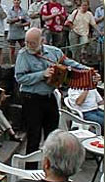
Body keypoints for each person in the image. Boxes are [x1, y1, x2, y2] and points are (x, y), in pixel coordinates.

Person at [15, 27, 95, 169]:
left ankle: (52, 170)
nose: (28, 46)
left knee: (52, 136)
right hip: (31, 99)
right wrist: (42, 74)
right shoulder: (23, 55)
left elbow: (71, 64)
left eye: (32, 43)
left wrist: (89, 71)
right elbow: (20, 78)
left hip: (49, 97)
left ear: (42, 41)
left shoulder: (54, 52)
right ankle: (30, 172)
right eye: (27, 42)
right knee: (34, 136)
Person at [6, 0, 30, 64]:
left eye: (18, 0)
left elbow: (28, 22)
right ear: (13, 2)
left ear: (20, 2)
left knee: (24, 49)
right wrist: (18, 19)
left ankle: (24, 63)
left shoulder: (24, 11)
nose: (16, 2)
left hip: (21, 33)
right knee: (12, 50)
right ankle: (12, 64)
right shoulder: (10, 11)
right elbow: (8, 21)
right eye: (15, 0)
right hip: (12, 33)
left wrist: (22, 25)